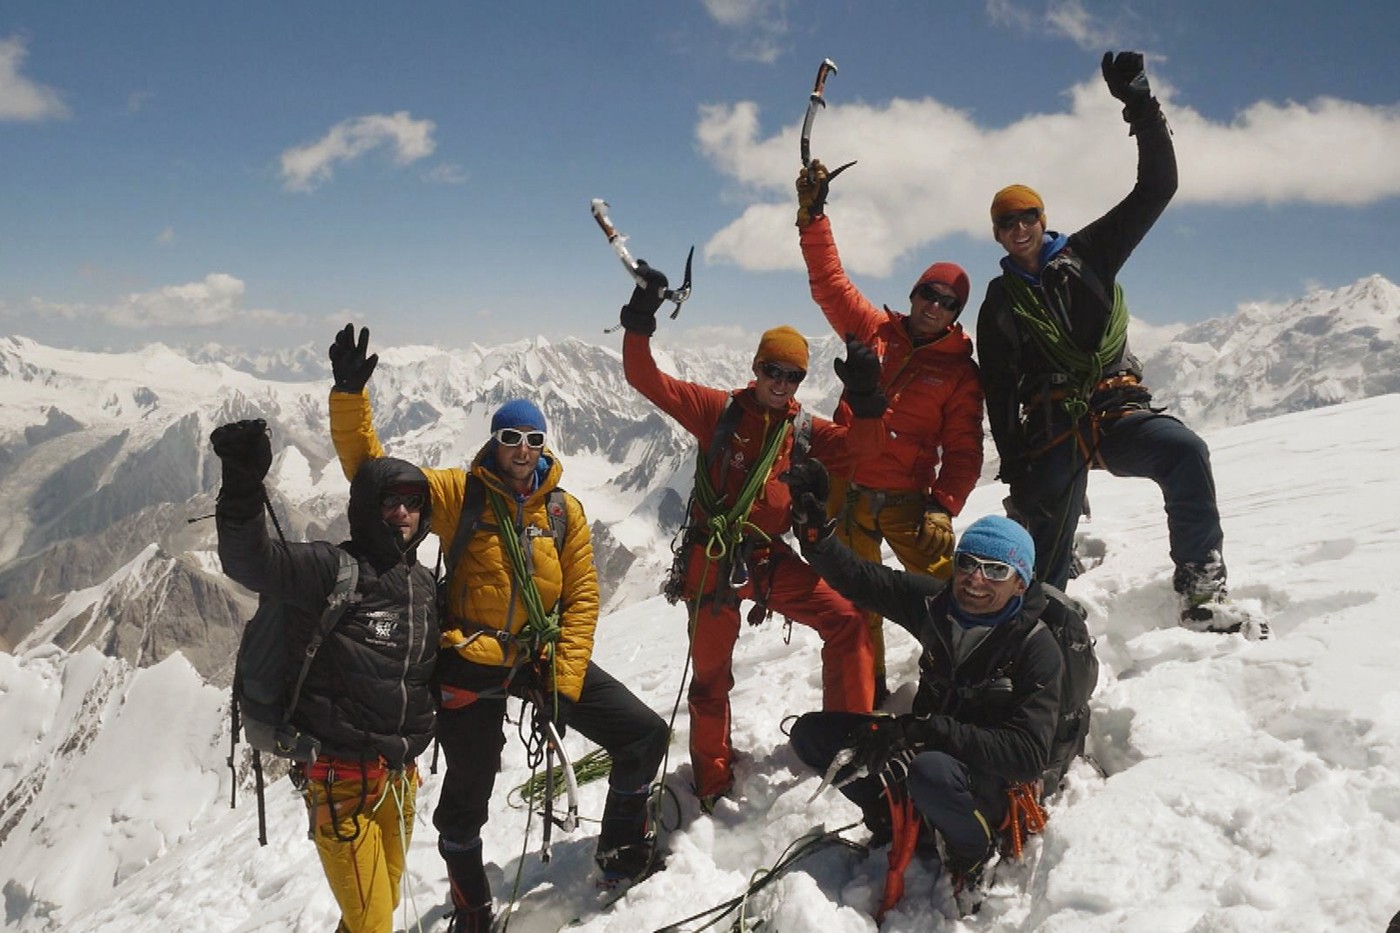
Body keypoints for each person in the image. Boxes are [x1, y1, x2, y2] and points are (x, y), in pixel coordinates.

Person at [325, 326, 670, 931]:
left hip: (540, 658)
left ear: (543, 445)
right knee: (467, 798)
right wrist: (350, 399)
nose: (522, 449)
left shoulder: (563, 512)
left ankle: (621, 851)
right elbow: (375, 476)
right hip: (471, 659)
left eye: (533, 439)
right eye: (511, 438)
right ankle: (473, 910)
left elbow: (581, 597)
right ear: (495, 442)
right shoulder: (461, 495)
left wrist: (563, 683)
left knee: (643, 734)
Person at [975, 51, 1232, 630]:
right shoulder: (999, 302)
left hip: (1115, 408)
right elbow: (999, 386)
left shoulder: (1090, 253)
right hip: (1050, 427)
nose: (1019, 228)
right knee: (1042, 547)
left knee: (1185, 451)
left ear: (1042, 218)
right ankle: (1036, 628)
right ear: (997, 234)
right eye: (1007, 222)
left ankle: (1201, 583)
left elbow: (1158, 186)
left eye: (1027, 216)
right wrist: (1014, 461)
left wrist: (1140, 104)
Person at [617, 263, 883, 809]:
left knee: (847, 621)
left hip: (763, 559)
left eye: (793, 376)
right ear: (756, 368)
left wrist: (866, 397)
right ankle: (712, 782)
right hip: (712, 561)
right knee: (710, 681)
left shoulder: (800, 430)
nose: (781, 384)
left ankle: (848, 744)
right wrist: (641, 316)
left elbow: (865, 451)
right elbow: (645, 377)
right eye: (772, 371)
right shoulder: (717, 412)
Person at [780, 456, 1064, 916]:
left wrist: (927, 731)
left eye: (996, 570)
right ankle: (892, 819)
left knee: (931, 771)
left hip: (985, 782)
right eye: (968, 563)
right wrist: (814, 532)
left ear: (1020, 583)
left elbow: (1029, 753)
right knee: (813, 735)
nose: (975, 579)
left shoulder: (1036, 647)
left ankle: (971, 850)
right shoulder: (937, 605)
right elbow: (860, 578)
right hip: (928, 746)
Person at [211, 418, 437, 933]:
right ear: (367, 508)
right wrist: (243, 485)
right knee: (373, 922)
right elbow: (250, 562)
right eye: (390, 501)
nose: (402, 512)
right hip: (342, 786)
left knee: (378, 907)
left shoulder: (423, 585)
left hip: (399, 780)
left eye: (413, 501)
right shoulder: (332, 569)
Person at [796, 160, 986, 703]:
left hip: (909, 504)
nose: (934, 306)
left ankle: (967, 683)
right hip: (847, 493)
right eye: (929, 293)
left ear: (956, 314)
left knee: (953, 596)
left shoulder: (960, 374)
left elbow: (965, 449)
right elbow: (830, 284)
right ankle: (868, 696)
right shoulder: (874, 329)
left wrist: (944, 505)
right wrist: (813, 217)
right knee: (857, 602)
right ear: (914, 293)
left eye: (947, 302)